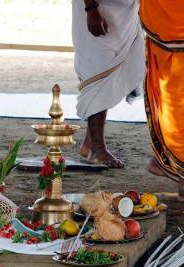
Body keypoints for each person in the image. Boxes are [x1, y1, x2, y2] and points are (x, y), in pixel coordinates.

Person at [72, 0, 145, 167]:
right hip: (97, 9)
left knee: (119, 69)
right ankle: (97, 149)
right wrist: (91, 9)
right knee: (98, 74)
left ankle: (89, 144)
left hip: (126, 14)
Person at [140, 0, 184, 197]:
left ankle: (166, 162)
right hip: (169, 24)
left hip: (167, 22)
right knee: (175, 105)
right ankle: (178, 170)